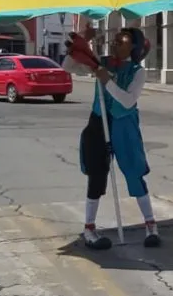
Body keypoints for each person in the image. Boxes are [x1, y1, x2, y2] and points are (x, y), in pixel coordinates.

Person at [62, 25, 160, 250]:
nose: (115, 43)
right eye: (114, 40)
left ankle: (151, 225)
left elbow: (128, 101)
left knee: (134, 173)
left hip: (124, 125)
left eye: (121, 40)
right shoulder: (101, 62)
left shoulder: (137, 71)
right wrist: (81, 45)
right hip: (99, 122)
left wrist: (106, 79)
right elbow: (68, 67)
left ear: (133, 46)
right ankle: (89, 228)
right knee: (96, 174)